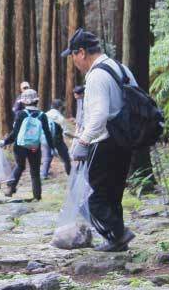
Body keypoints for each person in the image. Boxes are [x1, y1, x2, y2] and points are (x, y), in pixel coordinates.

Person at [61, 28, 138, 252]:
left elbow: (98, 117)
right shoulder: (119, 68)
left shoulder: (96, 76)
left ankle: (119, 233)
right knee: (112, 195)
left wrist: (82, 143)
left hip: (104, 143)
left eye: (73, 55)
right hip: (124, 140)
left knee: (92, 198)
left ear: (82, 52)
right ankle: (116, 241)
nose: (73, 61)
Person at [0, 89, 54, 200]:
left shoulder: (21, 114)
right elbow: (47, 133)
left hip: (20, 146)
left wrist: (5, 141)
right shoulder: (42, 115)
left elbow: (15, 133)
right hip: (34, 147)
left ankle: (10, 189)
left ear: (24, 102)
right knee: (35, 172)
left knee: (20, 166)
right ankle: (37, 196)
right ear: (36, 101)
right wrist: (52, 148)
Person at [41, 99, 71, 179]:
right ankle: (70, 174)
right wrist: (76, 137)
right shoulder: (60, 117)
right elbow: (66, 132)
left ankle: (43, 175)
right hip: (57, 141)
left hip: (45, 140)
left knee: (47, 157)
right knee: (66, 158)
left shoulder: (45, 114)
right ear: (60, 107)